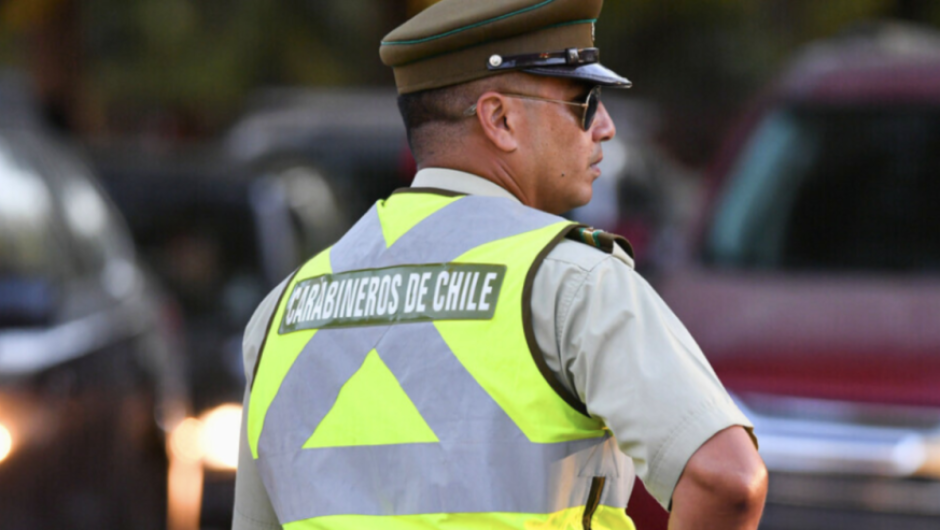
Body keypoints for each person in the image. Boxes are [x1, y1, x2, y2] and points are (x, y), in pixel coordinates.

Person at [232, 0, 767, 529]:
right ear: (500, 119)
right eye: (584, 100)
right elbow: (726, 478)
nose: (604, 126)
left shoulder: (281, 313)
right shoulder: (572, 285)